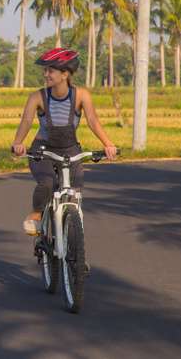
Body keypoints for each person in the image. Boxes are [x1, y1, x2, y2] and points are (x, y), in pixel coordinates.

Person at [11, 47, 118, 235]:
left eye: (50, 70)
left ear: (64, 74)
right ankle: (36, 215)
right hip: (42, 150)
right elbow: (26, 121)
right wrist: (18, 143)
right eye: (45, 71)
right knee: (47, 183)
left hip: (70, 150)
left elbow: (93, 121)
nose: (46, 75)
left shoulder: (81, 95)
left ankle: (73, 240)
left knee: (75, 190)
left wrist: (108, 144)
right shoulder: (38, 97)